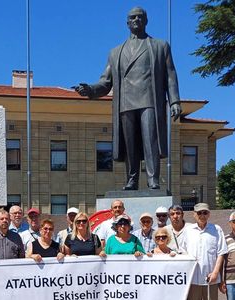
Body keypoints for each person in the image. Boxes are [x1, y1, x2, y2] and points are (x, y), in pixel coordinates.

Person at [75, 6, 181, 190]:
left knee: (150, 141)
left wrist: (175, 101)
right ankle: (132, 179)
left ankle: (152, 179)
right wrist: (90, 90)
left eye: (140, 17)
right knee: (130, 144)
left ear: (146, 21)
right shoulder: (116, 52)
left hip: (149, 100)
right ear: (127, 23)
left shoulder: (159, 46)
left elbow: (170, 75)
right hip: (126, 103)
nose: (136, 20)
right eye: (132, 17)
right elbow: (105, 82)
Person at [180, 203, 226, 300]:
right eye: (199, 213)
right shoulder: (188, 231)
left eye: (205, 213)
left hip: (210, 279)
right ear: (194, 215)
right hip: (193, 279)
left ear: (209, 214)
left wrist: (216, 273)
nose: (202, 216)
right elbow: (182, 252)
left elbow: (221, 253)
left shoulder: (216, 229)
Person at [100, 214, 148, 300]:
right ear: (116, 226)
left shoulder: (134, 239)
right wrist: (102, 253)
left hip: (131, 281)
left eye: (125, 224)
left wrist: (139, 254)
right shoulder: (110, 240)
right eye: (120, 224)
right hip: (115, 281)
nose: (122, 226)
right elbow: (105, 255)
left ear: (129, 226)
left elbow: (143, 255)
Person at [63, 212, 102, 300]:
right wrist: (69, 258)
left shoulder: (95, 238)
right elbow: (66, 255)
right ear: (75, 223)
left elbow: (99, 254)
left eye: (84, 221)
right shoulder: (70, 238)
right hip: (75, 280)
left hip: (91, 279)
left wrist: (102, 253)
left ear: (88, 223)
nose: (81, 223)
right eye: (78, 221)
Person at [26, 219, 64, 300]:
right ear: (41, 230)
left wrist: (61, 255)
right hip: (38, 285)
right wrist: (32, 256)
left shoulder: (56, 245)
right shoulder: (33, 244)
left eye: (50, 229)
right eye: (45, 229)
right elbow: (25, 258)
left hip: (53, 285)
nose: (47, 231)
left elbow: (62, 258)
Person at [150, 227, 178, 300]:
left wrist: (176, 257)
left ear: (168, 238)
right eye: (158, 237)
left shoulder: (173, 253)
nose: (161, 239)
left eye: (163, 237)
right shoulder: (150, 253)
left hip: (169, 289)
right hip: (155, 289)